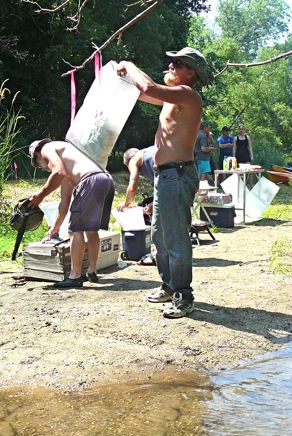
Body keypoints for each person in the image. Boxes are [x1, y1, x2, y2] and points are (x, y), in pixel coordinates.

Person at [115, 46, 207, 319]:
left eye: (177, 64)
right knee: (158, 234)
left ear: (191, 73)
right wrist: (117, 78)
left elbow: (149, 87)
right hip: (165, 175)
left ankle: (183, 295)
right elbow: (140, 92)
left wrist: (129, 64)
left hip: (178, 175)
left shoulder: (186, 95)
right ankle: (169, 286)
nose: (171, 67)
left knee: (176, 237)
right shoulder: (171, 98)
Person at [28, 139, 115, 287]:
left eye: (39, 164)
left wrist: (40, 195)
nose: (44, 167)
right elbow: (65, 202)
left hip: (91, 180)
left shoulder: (47, 148)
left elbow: (58, 172)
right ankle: (92, 271)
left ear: (37, 154)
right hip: (105, 179)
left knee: (75, 230)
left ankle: (74, 276)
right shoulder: (69, 163)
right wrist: (55, 228)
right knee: (91, 229)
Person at [119, 146, 156, 212]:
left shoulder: (133, 160)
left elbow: (132, 188)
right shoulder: (147, 153)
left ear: (128, 161)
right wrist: (153, 204)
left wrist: (126, 204)